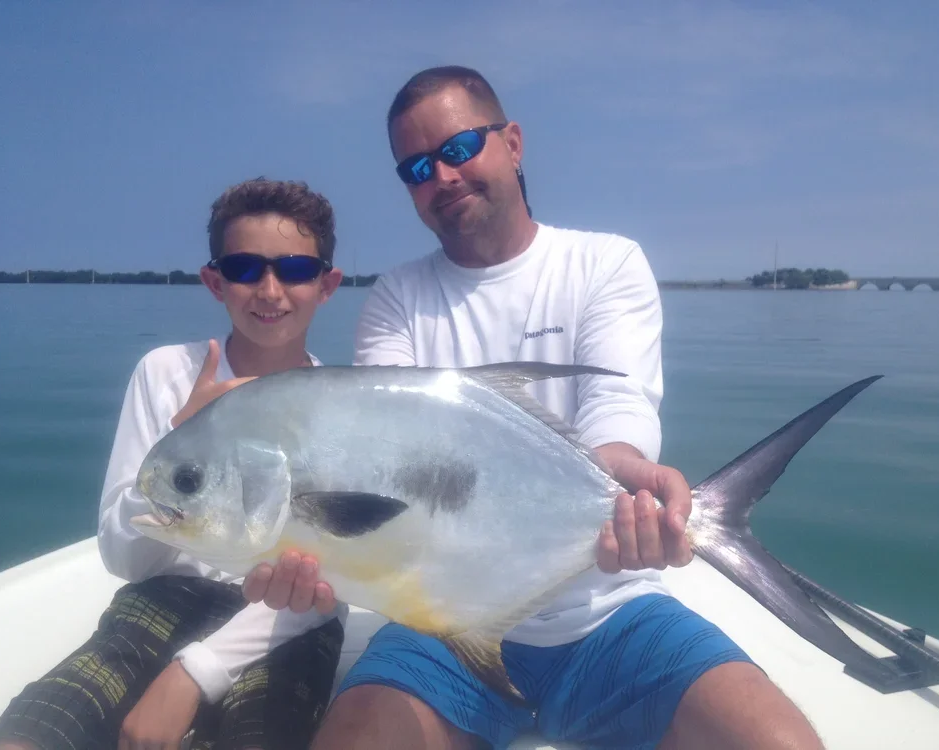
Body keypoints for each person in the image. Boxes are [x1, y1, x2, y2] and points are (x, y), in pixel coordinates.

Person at [243, 67, 825, 750]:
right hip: (442, 619)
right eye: (417, 167)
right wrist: (311, 554)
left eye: (458, 149)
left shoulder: (604, 264)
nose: (443, 176)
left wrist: (628, 483)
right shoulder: (396, 299)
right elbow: (394, 467)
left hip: (610, 609)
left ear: (512, 143)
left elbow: (616, 413)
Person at [0, 178, 348, 750]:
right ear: (215, 280)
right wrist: (181, 440)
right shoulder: (165, 374)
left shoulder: (341, 408)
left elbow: (336, 577)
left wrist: (197, 672)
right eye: (244, 267)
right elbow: (126, 558)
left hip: (286, 616)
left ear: (327, 284)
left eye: (296, 270)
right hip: (164, 594)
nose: (270, 289)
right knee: (37, 727)